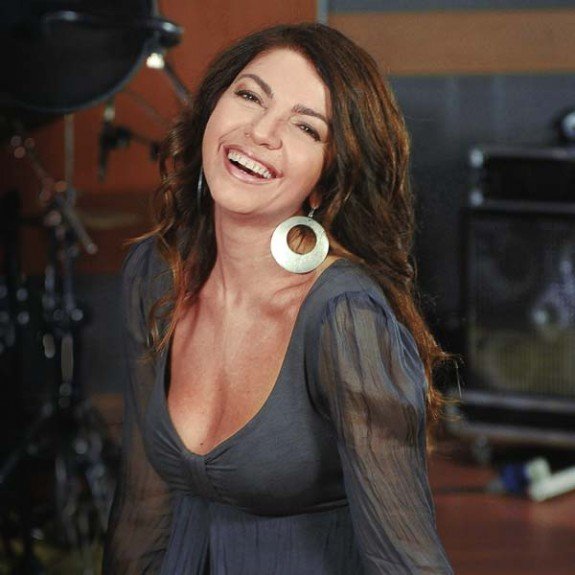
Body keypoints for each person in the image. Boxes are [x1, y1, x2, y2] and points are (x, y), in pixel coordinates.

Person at [103, 22, 453, 574]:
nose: (261, 132)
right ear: (212, 109)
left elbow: (405, 561)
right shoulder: (156, 273)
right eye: (249, 96)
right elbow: (143, 509)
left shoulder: (346, 318)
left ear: (326, 182)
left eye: (306, 127)